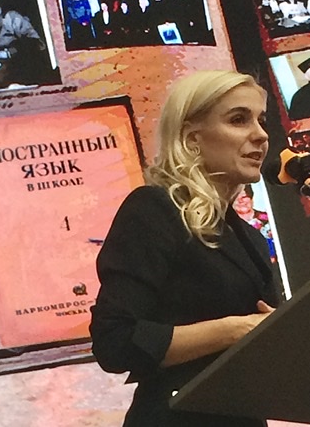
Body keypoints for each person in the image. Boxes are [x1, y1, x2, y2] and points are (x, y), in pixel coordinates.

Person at [90, 70, 281, 426]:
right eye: (239, 120)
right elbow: (115, 341)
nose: (261, 135)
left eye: (262, 121)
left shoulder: (250, 239)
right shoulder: (154, 210)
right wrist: (235, 330)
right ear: (193, 139)